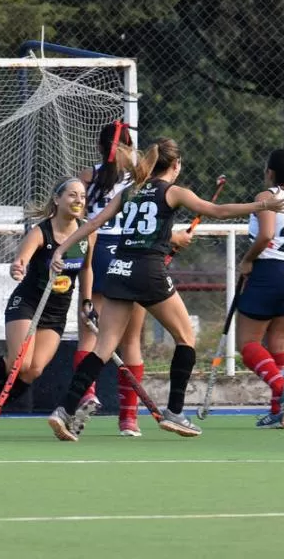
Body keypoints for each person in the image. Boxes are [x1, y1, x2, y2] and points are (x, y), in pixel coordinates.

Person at [47, 139, 284, 441]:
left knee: (103, 347)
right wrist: (263, 205)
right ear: (175, 166)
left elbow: (94, 222)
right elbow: (217, 210)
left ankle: (64, 410)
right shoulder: (173, 191)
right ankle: (175, 413)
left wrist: (61, 250)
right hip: (149, 271)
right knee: (185, 337)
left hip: (119, 268)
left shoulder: (131, 191)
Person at [0, 177, 94, 438]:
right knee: (19, 363)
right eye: (72, 195)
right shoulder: (40, 232)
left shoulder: (88, 233)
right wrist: (17, 268)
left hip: (56, 312)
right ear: (57, 199)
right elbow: (19, 262)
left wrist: (86, 302)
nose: (78, 200)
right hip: (29, 303)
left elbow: (87, 268)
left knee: (33, 371)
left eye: (82, 196)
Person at [74, 121, 193, 438]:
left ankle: (83, 397)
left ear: (100, 147)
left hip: (97, 253)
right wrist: (171, 239)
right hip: (129, 254)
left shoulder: (89, 177)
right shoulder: (140, 179)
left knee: (92, 337)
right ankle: (128, 419)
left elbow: (82, 218)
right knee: (131, 340)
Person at [235, 150, 284, 429]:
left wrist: (247, 260)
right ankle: (279, 411)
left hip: (270, 272)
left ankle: (282, 390)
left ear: (270, 172)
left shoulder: (265, 197)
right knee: (279, 343)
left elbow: (266, 236)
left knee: (248, 343)